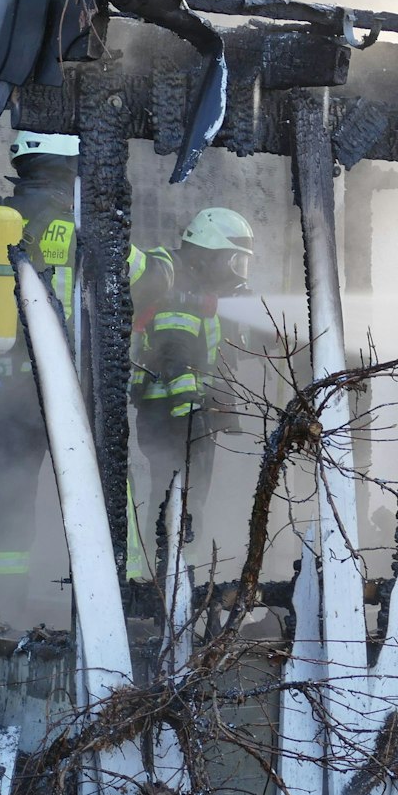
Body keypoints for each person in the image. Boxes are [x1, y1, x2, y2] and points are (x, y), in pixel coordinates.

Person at [0, 131, 153, 615]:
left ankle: (3, 609)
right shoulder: (91, 227)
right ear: (75, 166)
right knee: (106, 489)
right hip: (76, 389)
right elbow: (148, 278)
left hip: (3, 389)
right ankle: (122, 599)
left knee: (10, 499)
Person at [130, 206, 252, 556]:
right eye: (233, 262)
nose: (238, 274)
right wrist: (190, 413)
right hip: (176, 415)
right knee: (179, 498)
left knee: (184, 497)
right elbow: (174, 356)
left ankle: (173, 571)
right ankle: (170, 573)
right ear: (208, 253)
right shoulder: (178, 286)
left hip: (187, 413)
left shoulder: (197, 291)